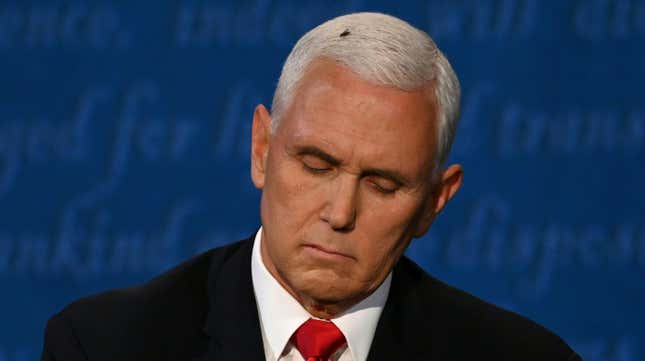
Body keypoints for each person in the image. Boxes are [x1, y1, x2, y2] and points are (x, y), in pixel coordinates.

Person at [41, 12, 582, 361]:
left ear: (435, 203)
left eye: (383, 184)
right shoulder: (105, 346)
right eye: (317, 164)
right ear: (261, 149)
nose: (340, 212)